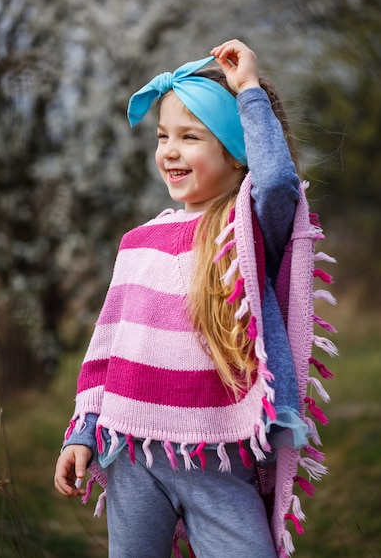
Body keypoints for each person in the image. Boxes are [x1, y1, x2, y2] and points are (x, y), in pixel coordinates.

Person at [54, 39, 323, 558]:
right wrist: (81, 433)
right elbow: (106, 355)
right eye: (162, 137)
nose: (169, 151)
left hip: (216, 459)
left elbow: (278, 184)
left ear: (234, 151)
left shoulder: (241, 233)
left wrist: (247, 90)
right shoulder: (137, 243)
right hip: (130, 453)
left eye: (190, 136)